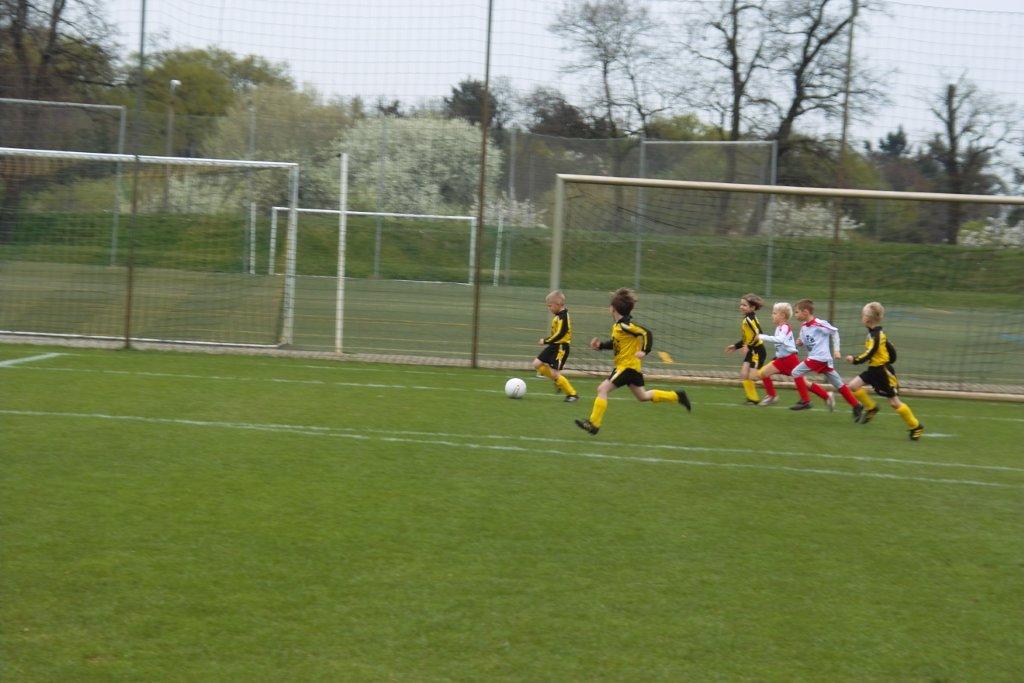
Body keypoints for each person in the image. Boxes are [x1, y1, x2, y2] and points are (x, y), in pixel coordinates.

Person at [574, 288, 690, 435]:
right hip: (631, 367)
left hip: (627, 367)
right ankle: (677, 396)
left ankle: (593, 424)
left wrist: (645, 350)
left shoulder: (624, 325)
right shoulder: (619, 326)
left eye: (610, 305)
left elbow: (646, 333)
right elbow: (617, 343)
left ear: (613, 309)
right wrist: (601, 346)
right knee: (643, 396)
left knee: (602, 389)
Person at [844, 301, 924, 440]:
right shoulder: (875, 333)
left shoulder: (877, 335)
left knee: (894, 402)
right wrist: (890, 358)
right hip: (873, 370)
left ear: (868, 319)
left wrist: (855, 359)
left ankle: (916, 426)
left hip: (882, 372)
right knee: (853, 386)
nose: (861, 317)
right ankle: (872, 408)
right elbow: (891, 352)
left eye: (863, 315)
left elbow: (870, 352)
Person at [790, 298, 863, 419]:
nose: (795, 314)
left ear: (806, 312)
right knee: (839, 384)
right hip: (820, 359)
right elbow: (805, 341)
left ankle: (805, 401)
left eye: (797, 312)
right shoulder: (804, 327)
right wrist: (800, 342)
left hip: (819, 358)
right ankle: (856, 405)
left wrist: (837, 350)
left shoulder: (819, 323)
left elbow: (835, 332)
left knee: (795, 372)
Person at [753, 301, 815, 406]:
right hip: (782, 359)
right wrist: (777, 356)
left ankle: (819, 397)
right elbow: (783, 345)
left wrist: (761, 336)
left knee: (803, 382)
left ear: (782, 315)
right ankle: (772, 396)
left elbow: (780, 340)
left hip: (790, 359)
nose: (772, 315)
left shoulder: (785, 327)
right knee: (763, 373)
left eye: (774, 313)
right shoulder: (779, 328)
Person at [724, 293, 775, 405]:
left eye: (744, 305)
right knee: (743, 374)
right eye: (741, 304)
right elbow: (746, 338)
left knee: (753, 376)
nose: (741, 307)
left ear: (752, 307)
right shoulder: (746, 319)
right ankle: (753, 399)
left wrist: (748, 345)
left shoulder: (750, 320)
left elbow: (759, 334)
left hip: (757, 351)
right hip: (751, 350)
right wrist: (736, 346)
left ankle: (771, 391)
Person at [532, 290, 579, 402]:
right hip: (554, 346)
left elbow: (561, 334)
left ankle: (572, 394)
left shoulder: (564, 316)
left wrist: (545, 340)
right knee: (536, 364)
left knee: (555, 373)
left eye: (550, 306)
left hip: (561, 347)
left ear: (558, 304)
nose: (549, 308)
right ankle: (557, 380)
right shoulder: (558, 316)